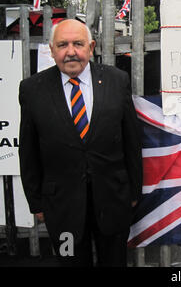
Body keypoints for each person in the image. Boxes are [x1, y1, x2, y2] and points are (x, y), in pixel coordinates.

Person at [18, 19, 143, 267]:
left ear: (91, 47)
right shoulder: (32, 89)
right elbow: (28, 149)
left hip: (113, 200)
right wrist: (36, 202)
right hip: (61, 207)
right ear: (52, 50)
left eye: (78, 43)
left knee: (114, 262)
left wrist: (133, 192)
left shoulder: (117, 81)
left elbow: (132, 139)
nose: (71, 51)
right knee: (69, 261)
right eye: (63, 45)